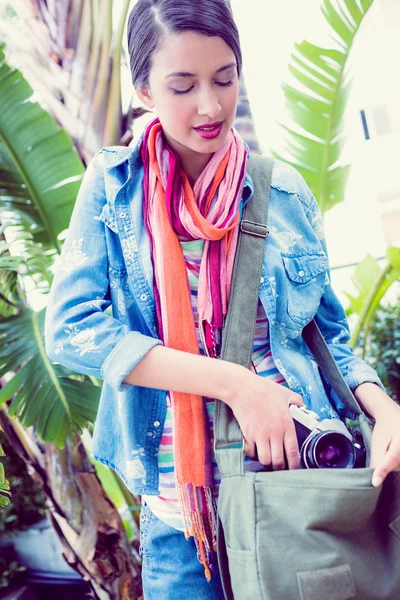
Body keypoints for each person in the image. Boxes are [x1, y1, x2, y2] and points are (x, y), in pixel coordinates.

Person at [44, 0, 400, 598]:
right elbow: (73, 330)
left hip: (291, 491)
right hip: (182, 518)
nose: (209, 106)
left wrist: (385, 409)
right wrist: (237, 384)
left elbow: (329, 338)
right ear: (144, 90)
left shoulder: (280, 189)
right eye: (182, 86)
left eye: (224, 78)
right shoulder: (113, 190)